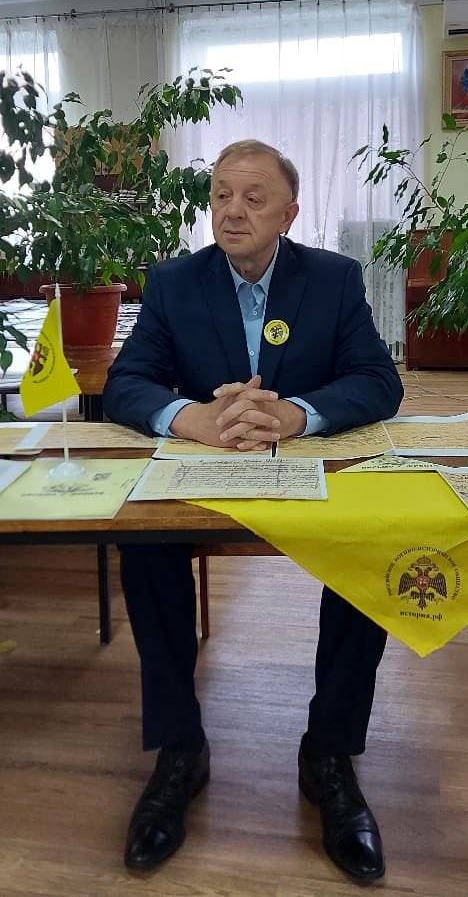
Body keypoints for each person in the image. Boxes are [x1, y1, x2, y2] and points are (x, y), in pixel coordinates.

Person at [103, 139, 403, 884]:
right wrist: (189, 418)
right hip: (205, 471)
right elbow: (126, 382)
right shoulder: (174, 282)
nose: (232, 212)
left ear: (288, 215)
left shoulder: (333, 279)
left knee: (370, 541)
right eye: (220, 196)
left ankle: (328, 754)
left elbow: (377, 379)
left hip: (304, 468)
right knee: (144, 543)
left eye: (253, 198)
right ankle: (180, 748)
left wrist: (297, 414)